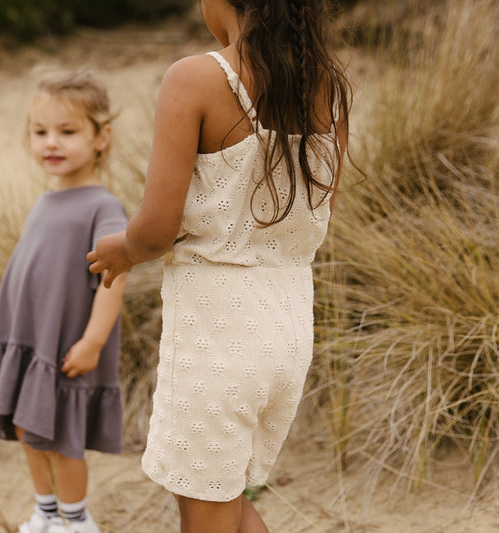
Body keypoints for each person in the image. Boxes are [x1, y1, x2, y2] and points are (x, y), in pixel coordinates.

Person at [86, 1, 352, 531]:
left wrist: (122, 249)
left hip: (220, 333)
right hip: (290, 324)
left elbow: (157, 228)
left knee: (205, 511)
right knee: (224, 501)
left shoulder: (197, 78)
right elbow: (314, 209)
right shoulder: (327, 84)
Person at [0, 70, 128, 533]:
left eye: (67, 132)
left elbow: (114, 277)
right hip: (29, 342)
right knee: (28, 429)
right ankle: (45, 513)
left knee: (61, 438)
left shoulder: (102, 206)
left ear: (100, 138)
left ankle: (77, 520)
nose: (51, 142)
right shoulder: (44, 202)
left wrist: (92, 340)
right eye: (40, 131)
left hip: (66, 345)